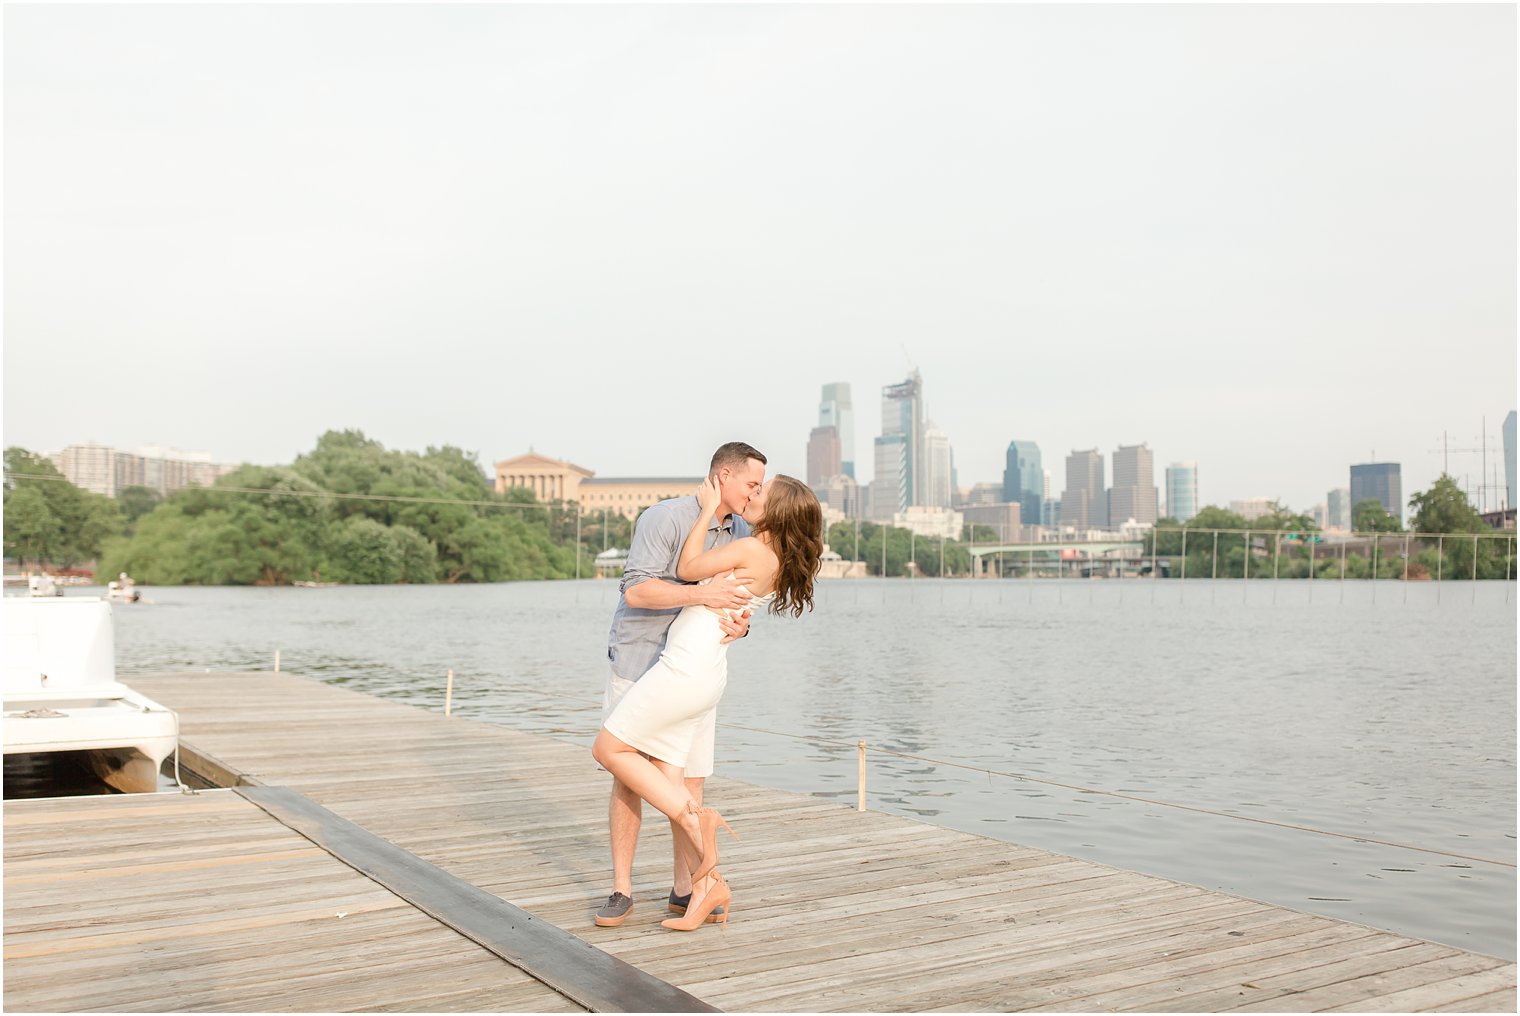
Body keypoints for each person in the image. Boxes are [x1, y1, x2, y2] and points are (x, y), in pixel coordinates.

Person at [592, 470, 823, 932]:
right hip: (694, 667)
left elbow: (687, 568)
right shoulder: (765, 551)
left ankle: (700, 827)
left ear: (775, 511)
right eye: (752, 485)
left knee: (609, 750)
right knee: (670, 775)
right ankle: (704, 886)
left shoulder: (750, 544)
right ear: (724, 476)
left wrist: (702, 514)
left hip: (686, 668)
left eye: (763, 490)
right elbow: (649, 588)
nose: (755, 494)